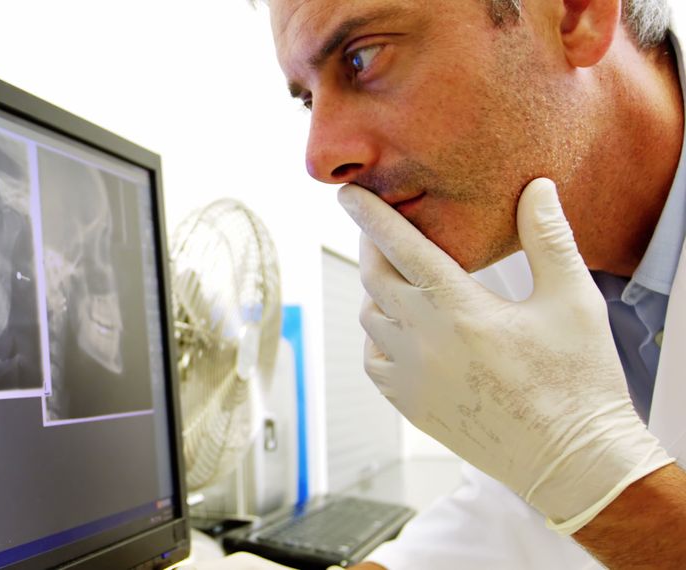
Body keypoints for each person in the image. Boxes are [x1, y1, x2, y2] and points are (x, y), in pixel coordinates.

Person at [261, 0, 686, 568]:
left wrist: (593, 477)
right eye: (310, 98)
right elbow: (513, 515)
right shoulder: (511, 226)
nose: (320, 158)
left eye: (362, 58)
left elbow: (567, 486)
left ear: (575, 14)